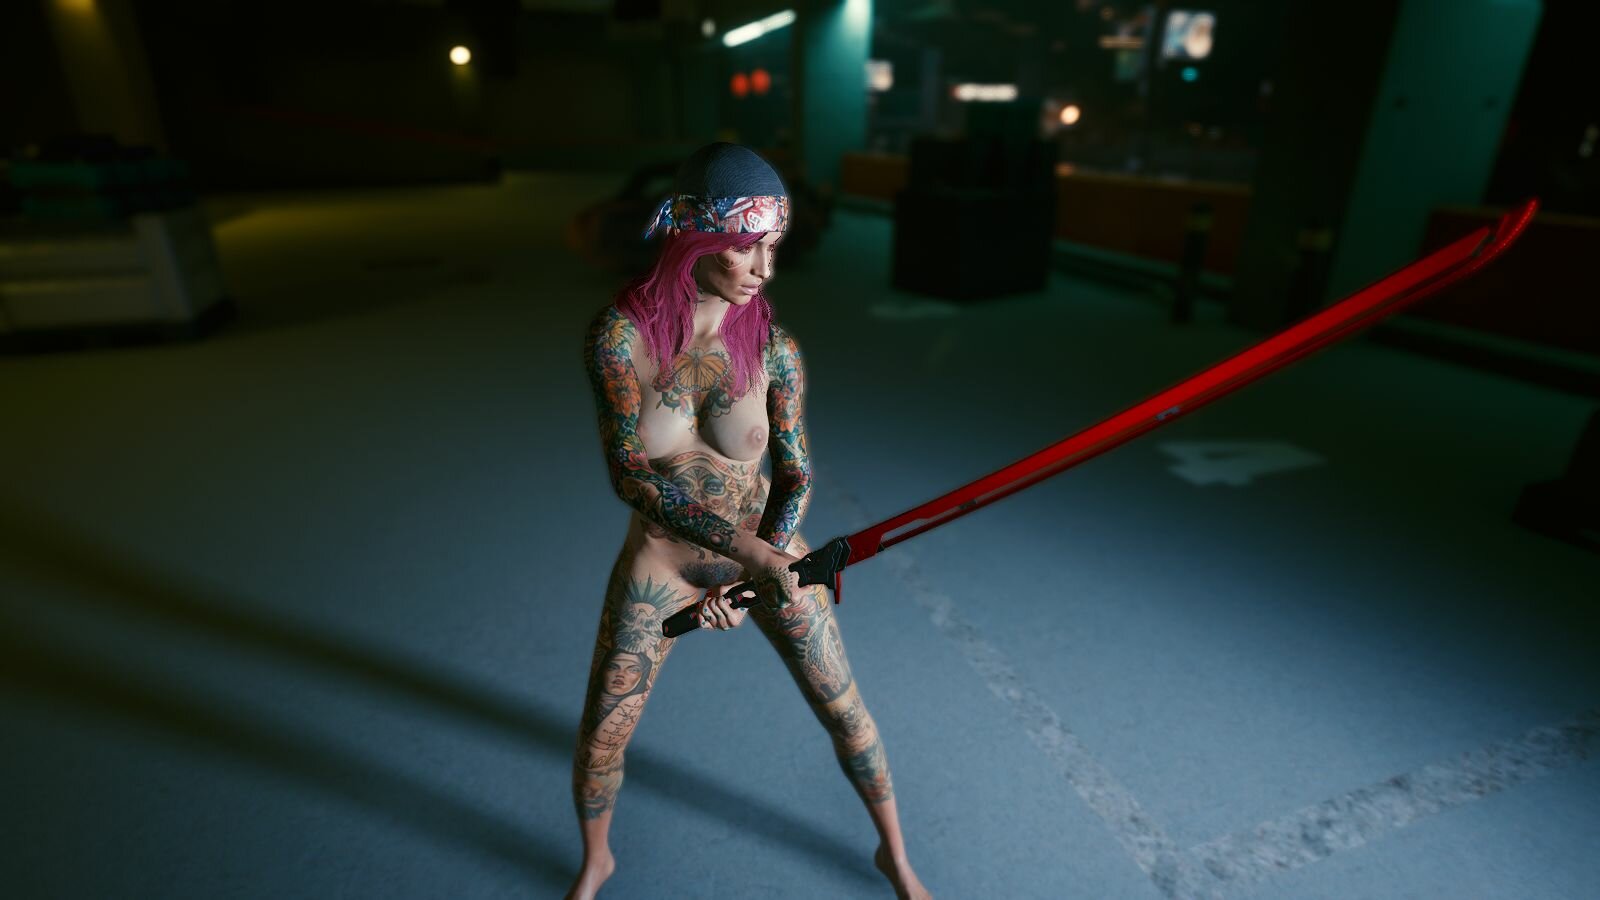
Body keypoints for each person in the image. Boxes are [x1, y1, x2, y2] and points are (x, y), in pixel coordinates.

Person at [570, 142, 932, 900]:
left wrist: (762, 561)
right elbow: (631, 473)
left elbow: (795, 472)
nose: (765, 267)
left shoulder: (774, 350)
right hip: (663, 568)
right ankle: (597, 860)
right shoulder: (618, 339)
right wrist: (751, 558)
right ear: (694, 238)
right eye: (745, 247)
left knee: (847, 712)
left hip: (774, 555)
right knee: (603, 734)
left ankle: (895, 856)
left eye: (773, 245)